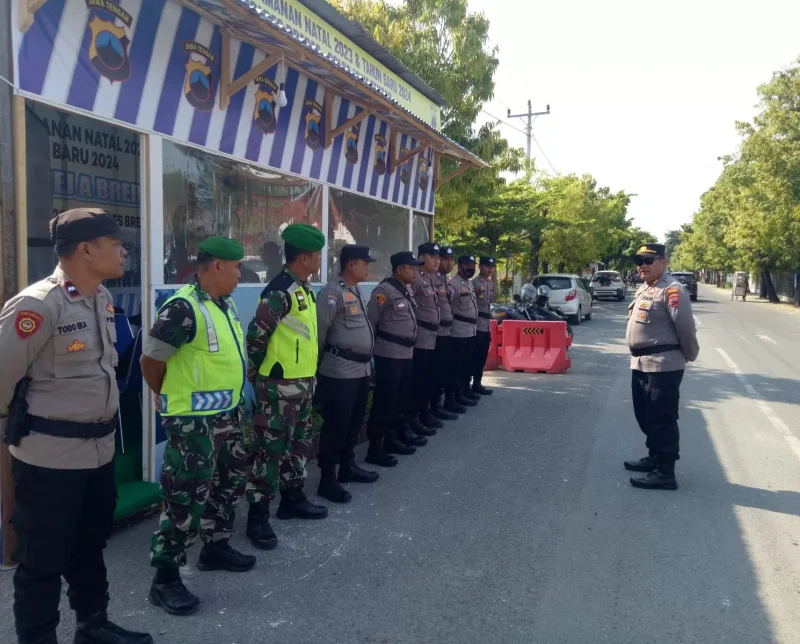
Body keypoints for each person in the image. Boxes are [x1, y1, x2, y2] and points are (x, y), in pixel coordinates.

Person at [0, 208, 152, 644]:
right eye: (115, 244)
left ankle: (92, 624)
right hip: (49, 458)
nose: (123, 251)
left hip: (96, 453)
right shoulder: (38, 305)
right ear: (86, 249)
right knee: (41, 558)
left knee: (89, 544)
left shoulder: (100, 298)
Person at [142, 236, 254, 616]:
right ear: (218, 266)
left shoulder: (224, 304)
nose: (240, 274)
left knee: (229, 483)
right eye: (236, 267)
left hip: (227, 415)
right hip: (193, 424)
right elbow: (151, 362)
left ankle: (215, 547)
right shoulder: (182, 309)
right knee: (185, 497)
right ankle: (165, 578)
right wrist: (166, 395)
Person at [245, 223, 328, 548]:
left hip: (302, 385)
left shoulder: (302, 289)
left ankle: (292, 499)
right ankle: (257, 518)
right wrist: (261, 375)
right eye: (317, 255)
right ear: (304, 257)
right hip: (278, 389)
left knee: (299, 446)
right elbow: (256, 336)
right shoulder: (280, 291)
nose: (320, 260)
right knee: (269, 453)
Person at [625, 243, 699, 490]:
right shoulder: (646, 287)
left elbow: (685, 328)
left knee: (662, 418)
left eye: (649, 260)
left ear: (664, 262)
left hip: (663, 365)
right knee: (645, 415)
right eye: (639, 261)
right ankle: (654, 457)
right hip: (641, 363)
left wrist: (689, 355)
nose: (642, 265)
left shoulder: (672, 290)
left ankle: (665, 472)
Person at [315, 245, 379, 504]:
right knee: (336, 424)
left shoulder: (355, 290)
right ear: (351, 264)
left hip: (360, 369)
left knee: (353, 422)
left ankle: (347, 466)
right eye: (365, 263)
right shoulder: (331, 293)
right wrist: (317, 370)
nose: (368, 268)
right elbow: (320, 333)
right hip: (340, 371)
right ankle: (327, 479)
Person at [366, 251, 423, 466]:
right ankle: (375, 447)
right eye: (412, 268)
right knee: (385, 401)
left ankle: (392, 438)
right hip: (389, 355)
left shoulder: (405, 290)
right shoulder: (384, 291)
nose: (415, 272)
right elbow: (371, 322)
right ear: (400, 269)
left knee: (401, 399)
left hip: (405, 354)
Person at [409, 242, 442, 434]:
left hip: (431, 337)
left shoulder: (430, 278)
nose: (437, 261)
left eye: (438, 257)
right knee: (418, 380)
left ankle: (424, 413)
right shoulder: (416, 279)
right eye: (432, 257)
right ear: (421, 257)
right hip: (420, 338)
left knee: (428, 378)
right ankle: (414, 418)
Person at [430, 246, 463, 419]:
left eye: (451, 259)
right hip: (435, 335)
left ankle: (440, 404)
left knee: (444, 371)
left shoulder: (444, 279)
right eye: (445, 259)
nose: (449, 263)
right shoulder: (431, 279)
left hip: (446, 333)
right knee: (434, 373)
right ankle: (432, 408)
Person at [450, 255, 480, 407]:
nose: (471, 268)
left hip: (471, 330)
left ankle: (464, 391)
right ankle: (455, 395)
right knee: (457, 366)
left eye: (473, 265)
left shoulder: (468, 283)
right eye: (468, 265)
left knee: (467, 364)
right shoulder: (453, 284)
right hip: (459, 330)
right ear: (460, 266)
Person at [471, 256, 496, 396]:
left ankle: (477, 383)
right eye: (487, 266)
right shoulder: (475, 283)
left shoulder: (490, 283)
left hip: (486, 324)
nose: (490, 269)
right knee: (474, 355)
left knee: (482, 355)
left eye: (492, 267)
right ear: (480, 267)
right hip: (477, 323)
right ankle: (469, 385)